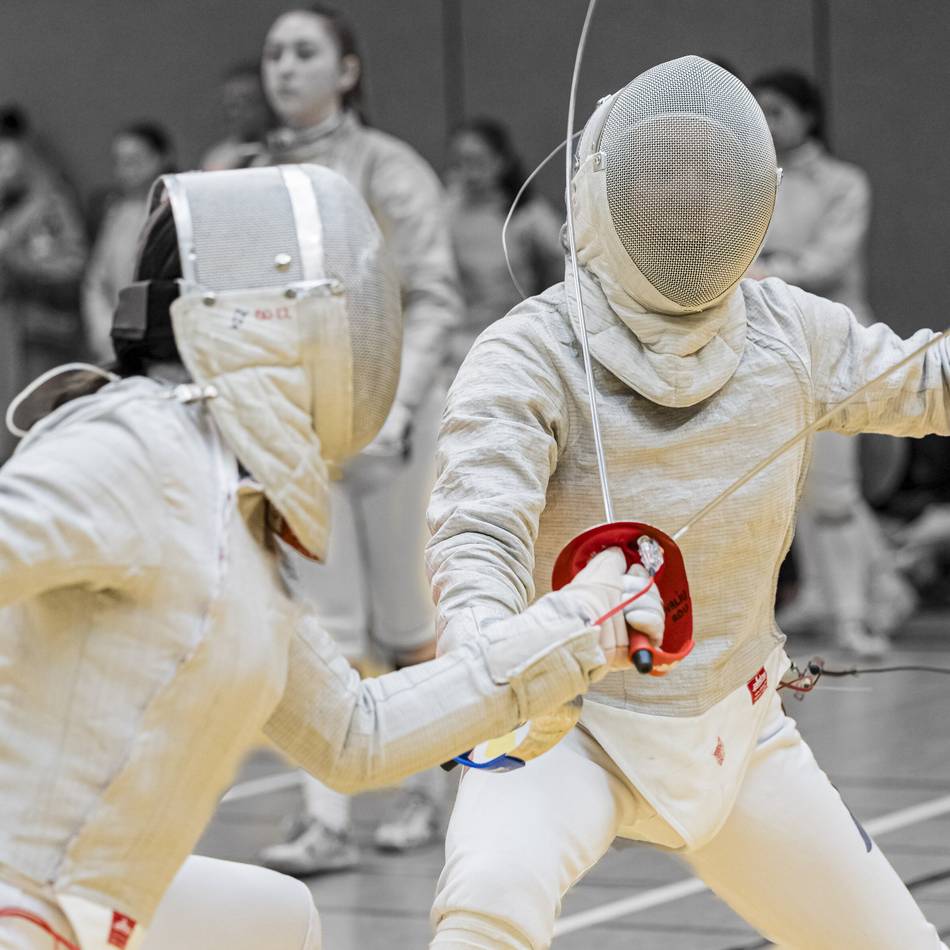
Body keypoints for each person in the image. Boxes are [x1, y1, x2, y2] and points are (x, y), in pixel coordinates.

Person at [0, 163, 663, 950]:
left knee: (279, 921)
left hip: (86, 890)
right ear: (273, 314)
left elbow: (357, 735)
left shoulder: (234, 513)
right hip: (25, 891)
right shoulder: (137, 441)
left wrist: (577, 627)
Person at [426, 57, 948, 949]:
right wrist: (490, 659)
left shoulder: (787, 329)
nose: (691, 205)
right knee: (487, 908)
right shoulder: (533, 353)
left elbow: (927, 380)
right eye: (664, 181)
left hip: (738, 733)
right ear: (608, 188)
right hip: (566, 727)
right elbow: (477, 535)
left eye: (712, 182)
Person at [255, 3, 464, 869]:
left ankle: (434, 793)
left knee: (411, 625)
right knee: (322, 630)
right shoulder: (241, 173)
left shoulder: (391, 168)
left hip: (392, 430)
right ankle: (327, 821)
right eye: (273, 54)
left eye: (305, 52)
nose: (285, 68)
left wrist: (401, 407)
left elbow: (437, 296)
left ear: (346, 70)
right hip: (302, 433)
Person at [750, 69, 916, 656]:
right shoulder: (747, 177)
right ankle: (861, 592)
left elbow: (827, 261)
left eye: (778, 111)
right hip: (770, 342)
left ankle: (855, 616)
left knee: (835, 489)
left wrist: (766, 269)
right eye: (759, 111)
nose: (768, 123)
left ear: (808, 115)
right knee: (795, 486)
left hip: (838, 343)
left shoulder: (845, 183)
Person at [443, 118, 563, 378]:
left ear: (501, 162)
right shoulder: (445, 210)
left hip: (512, 338)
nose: (469, 173)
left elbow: (565, 265)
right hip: (453, 344)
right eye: (461, 162)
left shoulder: (527, 215)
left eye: (477, 162)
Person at [0, 111, 87, 463]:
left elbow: (73, 265)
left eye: (7, 153)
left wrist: (20, 263)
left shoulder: (50, 204)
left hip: (35, 337)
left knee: (29, 435)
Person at [82, 122, 175, 362]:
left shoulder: (173, 211)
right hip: (116, 332)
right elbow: (96, 280)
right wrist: (102, 328)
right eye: (119, 161)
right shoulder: (114, 212)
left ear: (161, 158)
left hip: (162, 335)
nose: (126, 170)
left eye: (134, 160)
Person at [201, 63, 274, 171]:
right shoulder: (218, 157)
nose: (235, 112)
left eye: (247, 101)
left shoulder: (288, 152)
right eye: (231, 104)